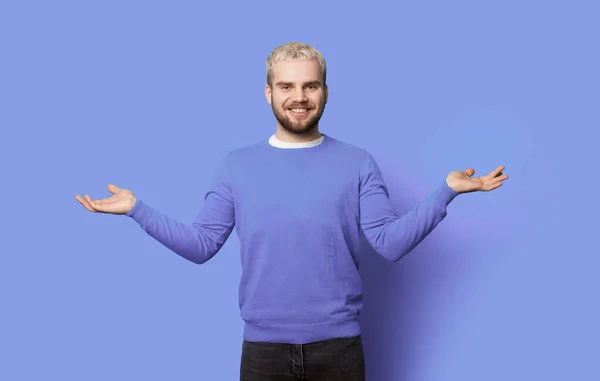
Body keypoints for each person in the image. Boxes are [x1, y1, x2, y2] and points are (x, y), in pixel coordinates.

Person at [75, 41, 508, 381]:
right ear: (268, 93)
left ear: (324, 91)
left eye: (309, 86)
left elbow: (389, 244)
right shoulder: (235, 165)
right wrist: (137, 209)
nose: (298, 97)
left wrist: (445, 191)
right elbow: (202, 244)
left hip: (339, 352)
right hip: (263, 354)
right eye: (286, 86)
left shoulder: (357, 162)